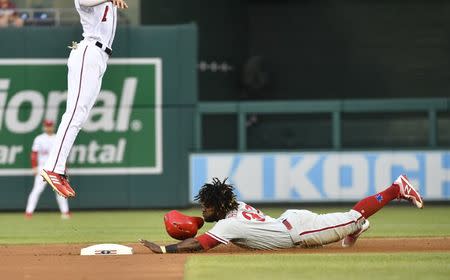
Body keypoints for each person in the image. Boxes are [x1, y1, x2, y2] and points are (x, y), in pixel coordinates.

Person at [140, 175, 424, 253]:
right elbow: (217, 223)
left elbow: (201, 245)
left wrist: (166, 248)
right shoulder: (234, 210)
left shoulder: (228, 226)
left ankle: (395, 188)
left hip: (297, 232)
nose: (202, 210)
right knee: (348, 221)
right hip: (291, 222)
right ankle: (354, 227)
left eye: (206, 206)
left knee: (353, 215)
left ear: (219, 206)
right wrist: (202, 220)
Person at [40, 0, 128, 199]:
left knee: (79, 117)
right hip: (89, 51)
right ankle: (53, 168)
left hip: (100, 57)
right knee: (74, 114)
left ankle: (57, 169)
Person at [25, 120, 71, 220]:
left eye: (50, 126)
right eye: (47, 126)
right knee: (37, 190)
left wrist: (64, 168)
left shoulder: (57, 138)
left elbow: (63, 155)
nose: (49, 127)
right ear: (44, 127)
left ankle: (65, 212)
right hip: (43, 167)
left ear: (53, 127)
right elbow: (34, 154)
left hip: (55, 168)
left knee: (60, 191)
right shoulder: (39, 139)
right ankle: (29, 212)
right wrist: (34, 167)